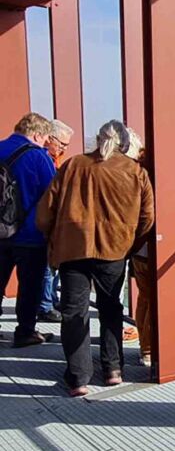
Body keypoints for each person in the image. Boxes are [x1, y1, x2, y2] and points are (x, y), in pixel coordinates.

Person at [37, 120, 154, 397]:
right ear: (125, 143)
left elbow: (45, 212)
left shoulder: (74, 165)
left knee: (74, 311)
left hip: (73, 249)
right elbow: (148, 217)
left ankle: (78, 377)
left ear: (98, 139)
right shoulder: (135, 172)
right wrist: (129, 243)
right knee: (111, 308)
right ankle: (113, 370)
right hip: (114, 250)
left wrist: (54, 236)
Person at [0, 113, 56, 347]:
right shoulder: (37, 156)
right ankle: (25, 332)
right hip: (30, 235)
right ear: (37, 134)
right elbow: (53, 193)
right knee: (30, 286)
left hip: (0, 232)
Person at [37, 119, 74, 323]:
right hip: (47, 222)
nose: (64, 149)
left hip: (54, 222)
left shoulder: (55, 159)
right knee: (48, 268)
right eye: (62, 144)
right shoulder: (43, 159)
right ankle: (45, 305)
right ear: (49, 138)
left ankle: (51, 299)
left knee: (53, 266)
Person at [124, 130, 152, 366]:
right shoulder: (149, 177)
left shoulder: (131, 174)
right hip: (149, 248)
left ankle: (146, 347)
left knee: (144, 298)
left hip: (136, 250)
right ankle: (150, 350)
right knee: (152, 300)